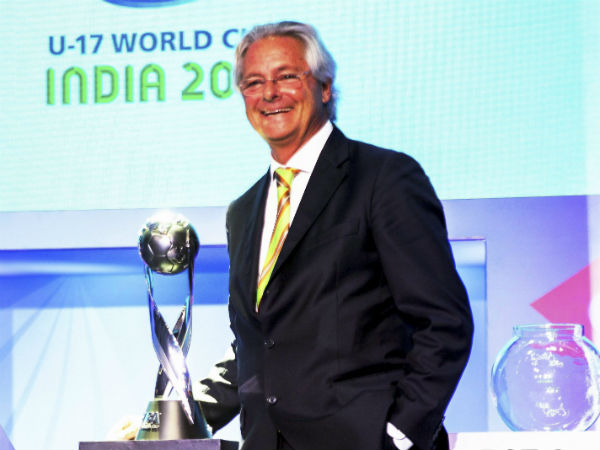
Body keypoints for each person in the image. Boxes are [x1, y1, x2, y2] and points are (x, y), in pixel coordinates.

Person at [193, 21, 473, 450]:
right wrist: (177, 416)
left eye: (286, 76)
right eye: (253, 82)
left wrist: (400, 434)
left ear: (324, 87)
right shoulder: (243, 211)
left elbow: (443, 322)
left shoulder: (384, 178)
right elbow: (260, 346)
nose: (270, 93)